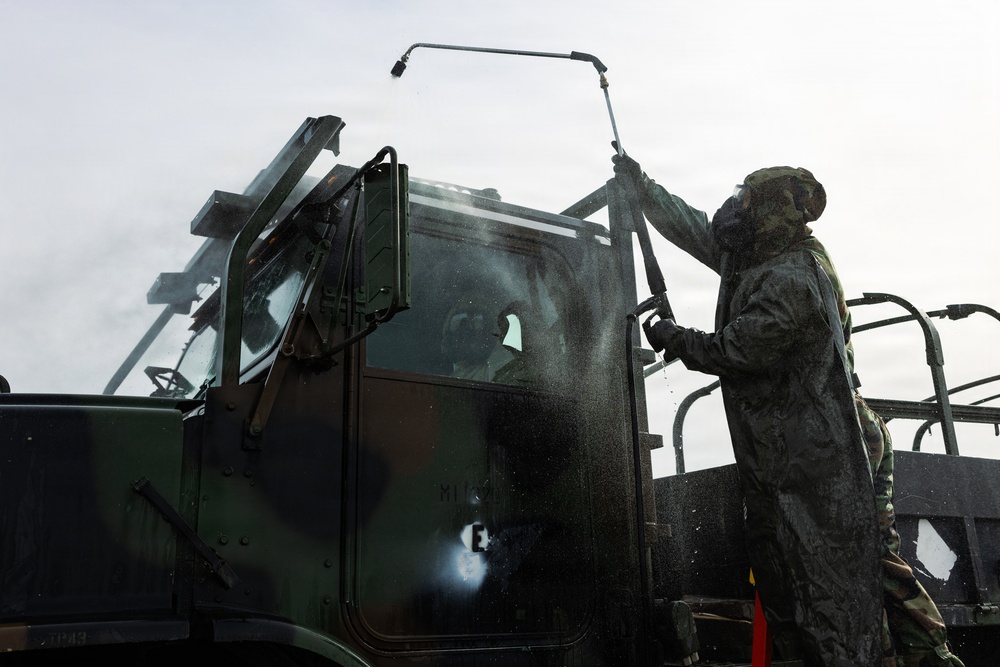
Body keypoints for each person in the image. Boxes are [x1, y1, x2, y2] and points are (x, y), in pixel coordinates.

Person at [613, 154, 964, 667]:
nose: (735, 209)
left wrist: (676, 339)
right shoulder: (755, 257)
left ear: (773, 210)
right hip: (795, 444)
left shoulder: (795, 275)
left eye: (747, 201)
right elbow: (694, 229)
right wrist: (643, 187)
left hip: (832, 445)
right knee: (821, 572)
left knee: (850, 576)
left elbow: (738, 351)